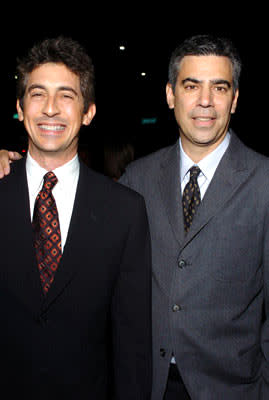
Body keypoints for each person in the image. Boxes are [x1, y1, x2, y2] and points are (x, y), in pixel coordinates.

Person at [2, 34, 269, 400]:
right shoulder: (136, 182)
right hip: (151, 382)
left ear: (234, 99)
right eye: (191, 85)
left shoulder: (264, 182)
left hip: (233, 388)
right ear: (170, 95)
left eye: (219, 88)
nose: (205, 101)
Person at [0, 36, 152, 399]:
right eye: (37, 94)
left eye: (66, 95)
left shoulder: (126, 211)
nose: (50, 108)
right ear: (20, 108)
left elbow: (132, 344)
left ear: (88, 112)